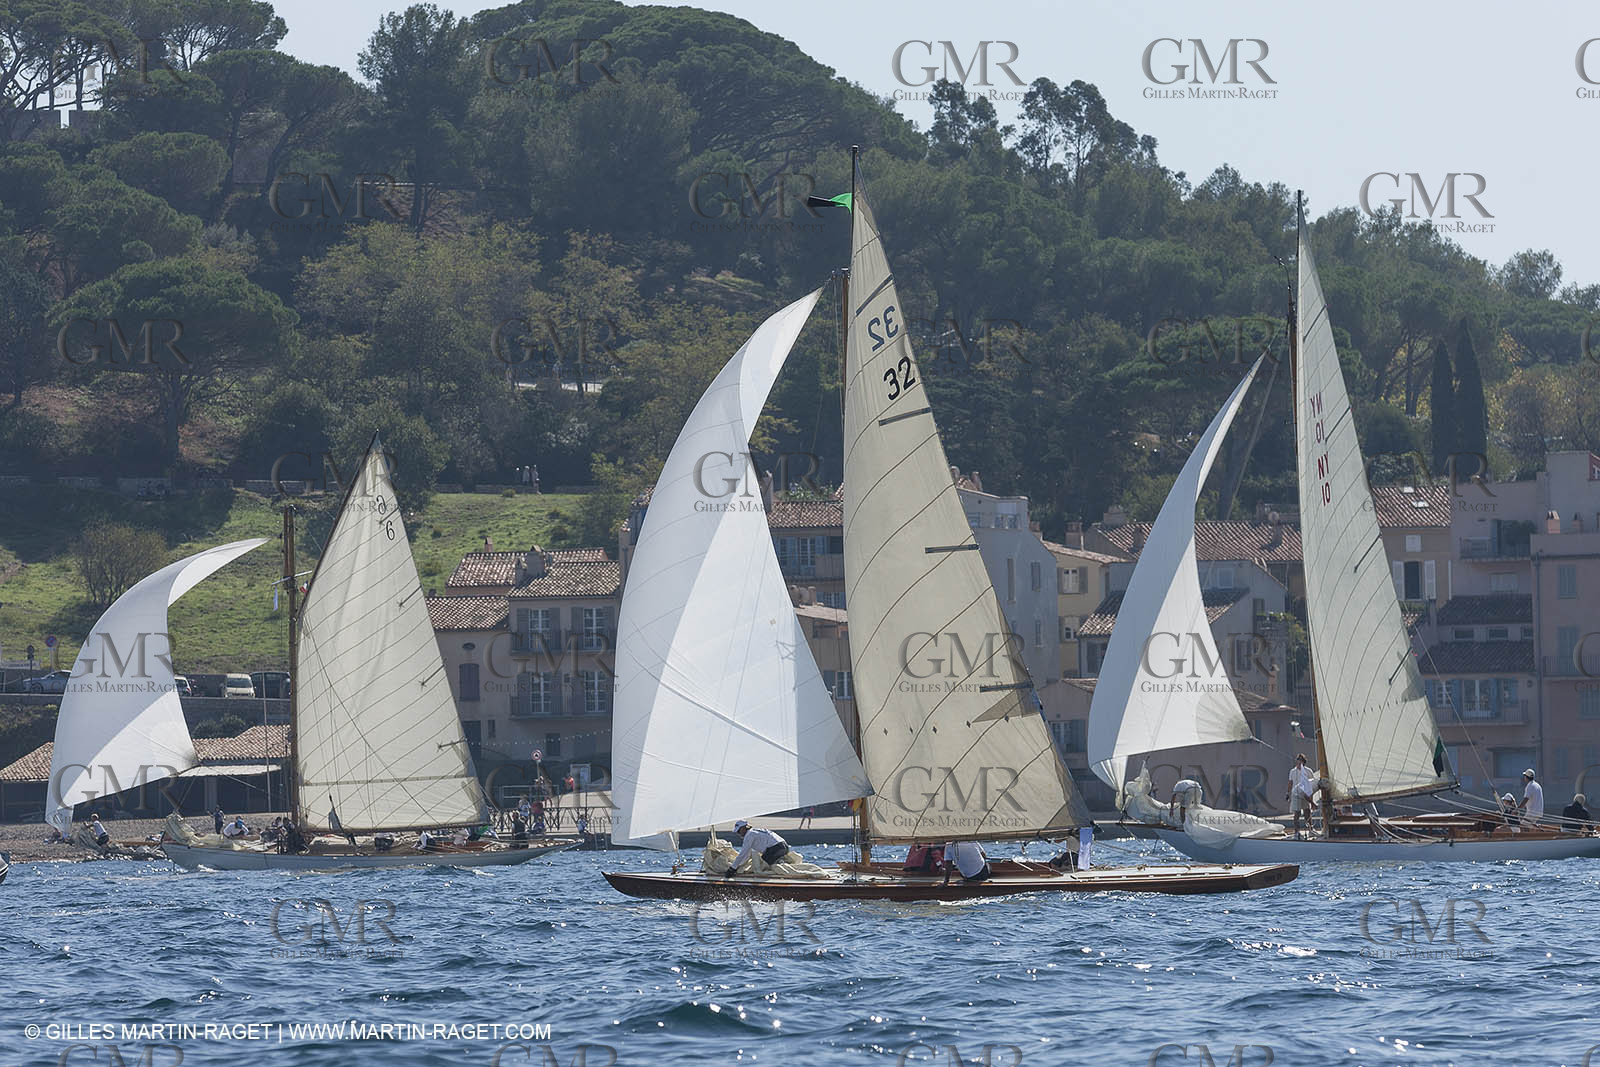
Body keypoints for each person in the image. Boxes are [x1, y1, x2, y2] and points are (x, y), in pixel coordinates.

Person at [725, 820, 790, 877]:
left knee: (764, 862)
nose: (738, 834)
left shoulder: (749, 835)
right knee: (766, 859)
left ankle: (778, 871)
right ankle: (781, 863)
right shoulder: (754, 831)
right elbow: (746, 855)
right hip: (784, 846)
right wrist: (737, 866)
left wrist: (732, 869)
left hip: (776, 848)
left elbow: (743, 853)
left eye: (739, 831)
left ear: (744, 828)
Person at [1286, 754, 1317, 838]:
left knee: (1307, 812)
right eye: (1298, 760)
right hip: (1295, 794)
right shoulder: (1293, 771)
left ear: (1304, 762)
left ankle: (1311, 830)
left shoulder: (1308, 771)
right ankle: (1297, 832)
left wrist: (1311, 799)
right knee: (1297, 814)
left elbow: (1311, 784)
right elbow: (1290, 783)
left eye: (1301, 760)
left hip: (1305, 795)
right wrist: (1287, 793)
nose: (1299, 762)